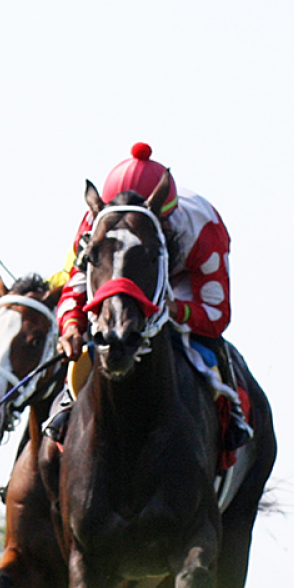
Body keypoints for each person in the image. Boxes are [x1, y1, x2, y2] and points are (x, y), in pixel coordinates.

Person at [46, 143, 237, 441]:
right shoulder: (94, 224)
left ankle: (233, 414)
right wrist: (71, 326)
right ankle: (65, 406)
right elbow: (77, 281)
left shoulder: (202, 229)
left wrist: (172, 309)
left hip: (179, 277)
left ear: (164, 216)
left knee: (205, 342)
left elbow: (216, 314)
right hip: (118, 273)